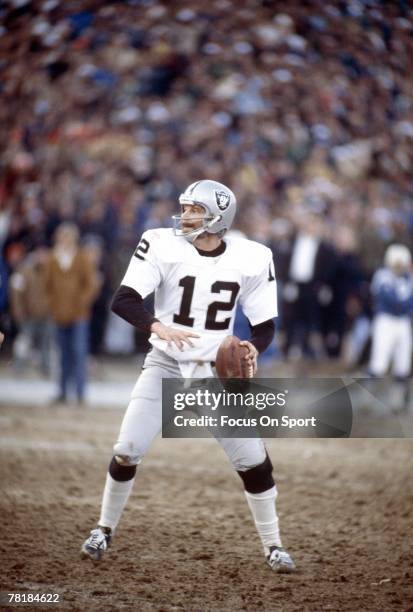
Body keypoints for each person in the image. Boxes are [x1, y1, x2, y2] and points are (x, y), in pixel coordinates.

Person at [80, 180, 295, 572]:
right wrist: (157, 328)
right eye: (186, 207)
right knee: (127, 448)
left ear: (218, 217)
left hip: (213, 372)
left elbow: (265, 325)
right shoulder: (161, 243)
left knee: (253, 460)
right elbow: (124, 300)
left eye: (195, 209)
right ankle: (103, 529)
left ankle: (274, 545)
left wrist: (253, 348)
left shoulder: (253, 256)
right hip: (165, 363)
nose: (186, 215)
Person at [44, 223, 99, 404]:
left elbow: (91, 284)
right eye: (62, 237)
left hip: (78, 315)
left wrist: (81, 303)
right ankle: (62, 391)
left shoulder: (81, 258)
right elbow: (47, 286)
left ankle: (80, 393)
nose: (65, 241)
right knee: (63, 355)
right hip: (59, 314)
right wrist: (53, 305)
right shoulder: (53, 259)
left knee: (79, 353)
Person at [368, 244, 413, 410]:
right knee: (379, 359)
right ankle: (369, 399)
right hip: (385, 320)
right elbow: (387, 298)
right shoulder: (382, 275)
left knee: (403, 360)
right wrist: (403, 305)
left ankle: (399, 400)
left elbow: (409, 301)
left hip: (403, 321)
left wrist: (404, 306)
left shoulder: (408, 278)